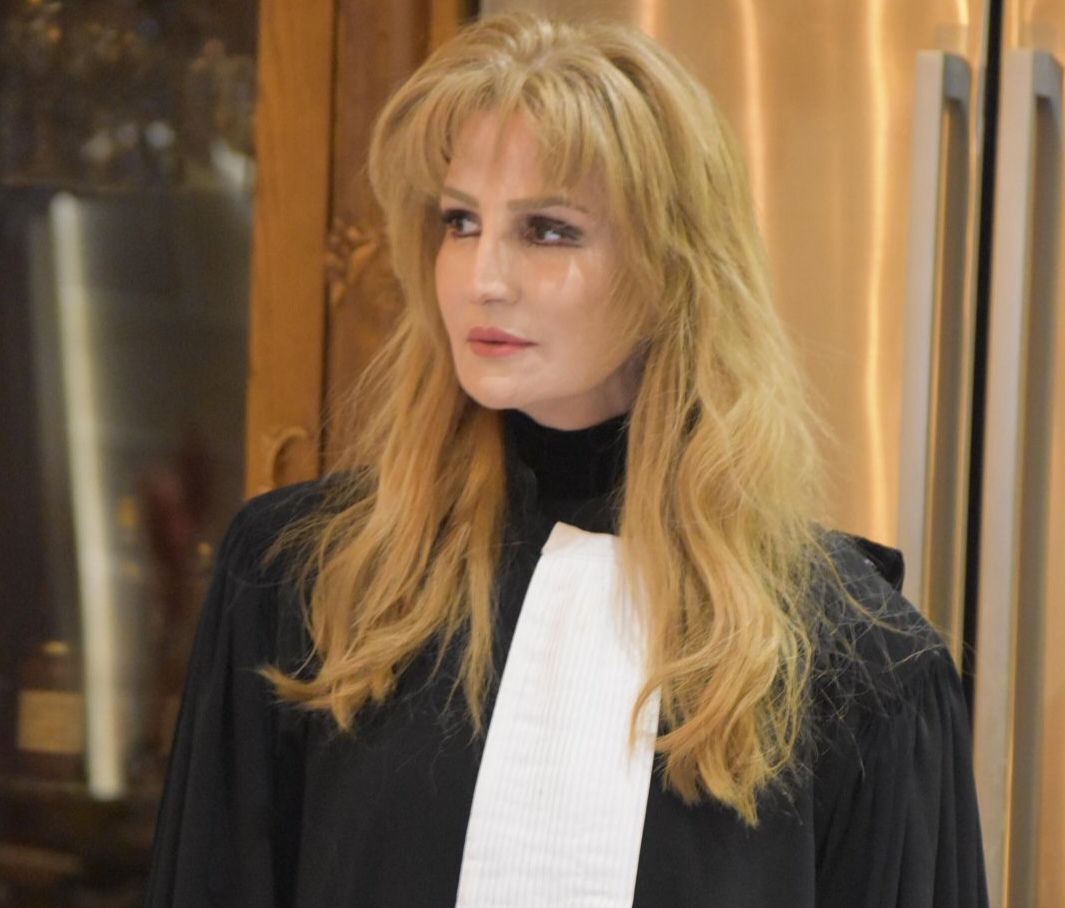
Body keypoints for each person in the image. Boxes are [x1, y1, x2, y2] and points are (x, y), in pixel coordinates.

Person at [144, 12, 988, 908]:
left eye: (547, 230)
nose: (483, 278)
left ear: (676, 268)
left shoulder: (855, 661)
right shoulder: (305, 578)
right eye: (460, 221)